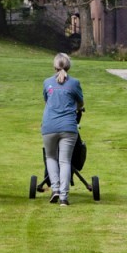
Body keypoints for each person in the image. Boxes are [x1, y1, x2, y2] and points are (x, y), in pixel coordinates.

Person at [40, 52, 85, 205]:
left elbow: (47, 101)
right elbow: (81, 103)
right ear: (68, 66)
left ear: (54, 66)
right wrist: (75, 107)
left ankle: (55, 189)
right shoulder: (75, 83)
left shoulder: (47, 82)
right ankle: (64, 197)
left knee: (50, 157)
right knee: (65, 161)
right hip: (68, 127)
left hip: (49, 125)